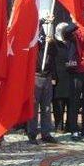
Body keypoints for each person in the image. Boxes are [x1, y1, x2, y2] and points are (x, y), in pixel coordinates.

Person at [28, 15, 57, 145]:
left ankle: (46, 133)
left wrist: (52, 42)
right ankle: (32, 133)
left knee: (46, 107)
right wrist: (44, 20)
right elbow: (35, 23)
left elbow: (55, 56)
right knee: (34, 107)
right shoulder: (34, 41)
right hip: (36, 76)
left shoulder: (48, 42)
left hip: (47, 76)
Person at [52, 22, 70, 133]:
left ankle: (70, 124)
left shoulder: (71, 42)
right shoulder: (54, 44)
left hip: (70, 76)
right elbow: (52, 61)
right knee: (58, 103)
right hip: (58, 77)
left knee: (70, 103)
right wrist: (53, 76)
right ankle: (59, 125)